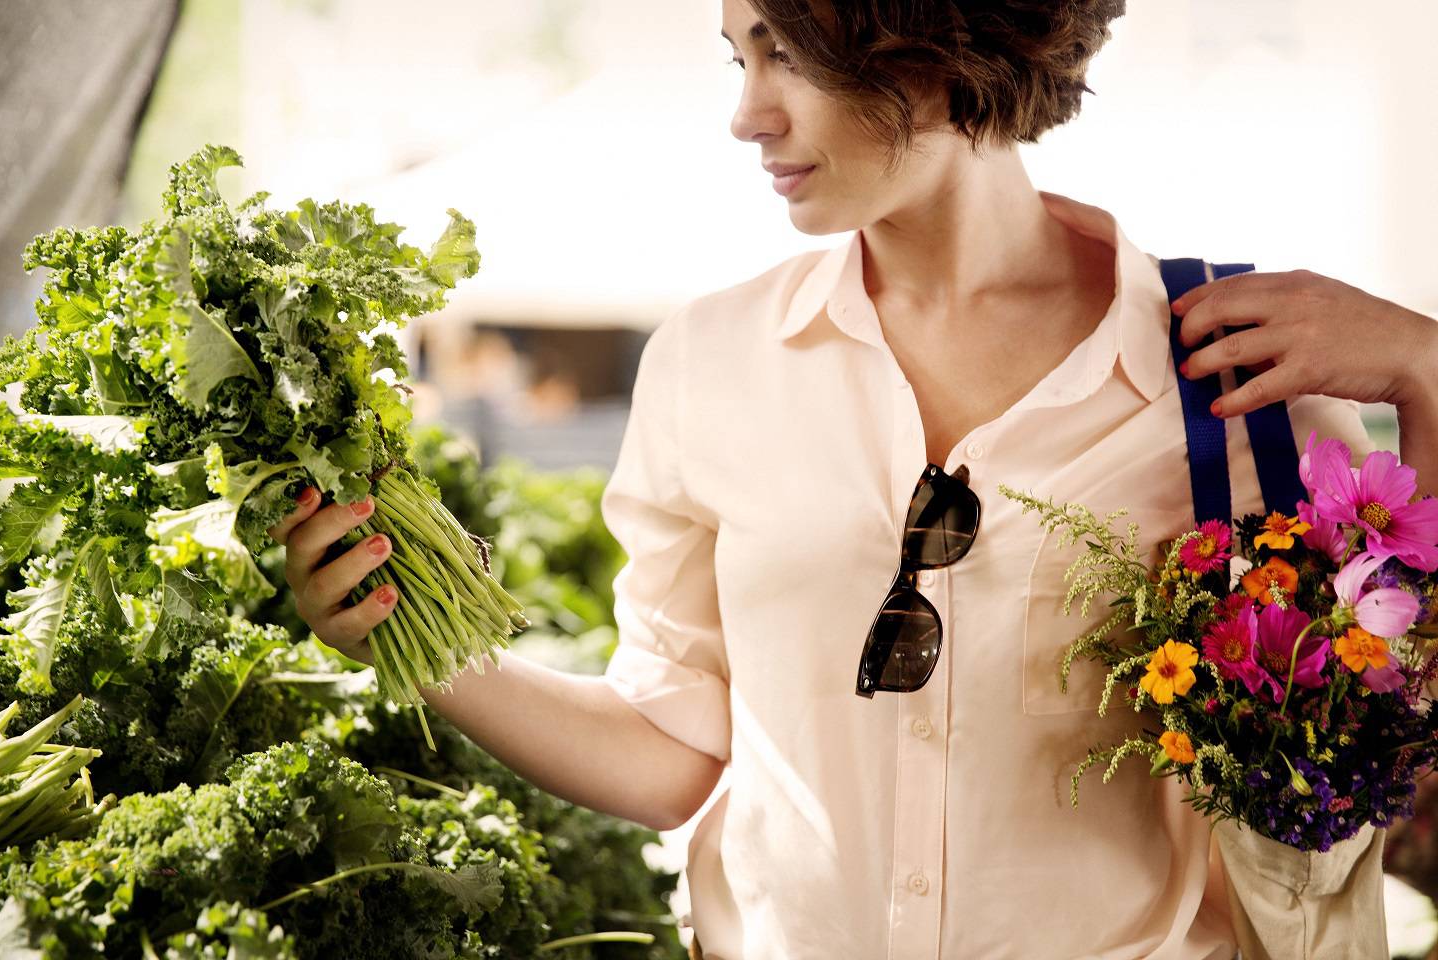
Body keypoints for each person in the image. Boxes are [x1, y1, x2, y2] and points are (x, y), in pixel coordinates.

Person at [267, 1, 1438, 957]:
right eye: (737, 56)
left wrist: (1428, 373)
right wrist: (413, 641)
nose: (745, 113)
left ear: (933, 42)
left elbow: (1407, 715)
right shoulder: (710, 366)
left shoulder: (1233, 373)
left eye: (786, 52)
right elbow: (677, 754)